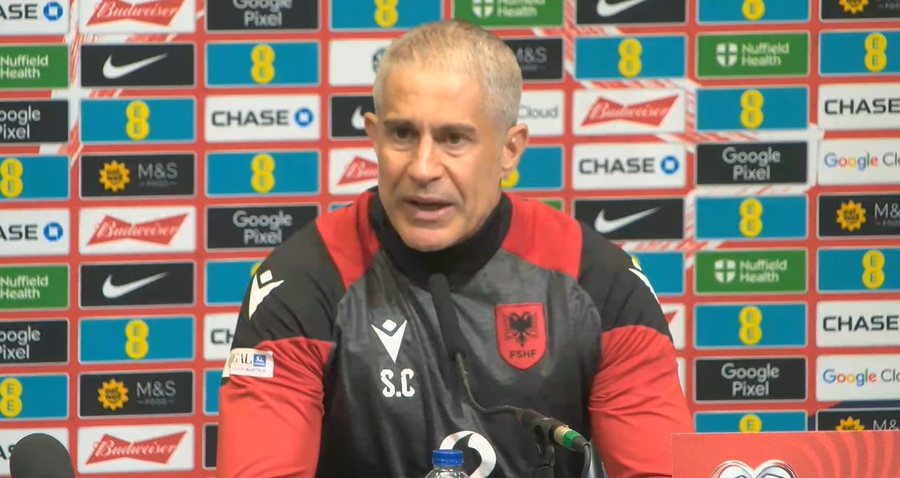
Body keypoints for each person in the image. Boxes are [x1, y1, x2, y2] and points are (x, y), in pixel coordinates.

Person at [217, 19, 692, 478]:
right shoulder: (304, 280)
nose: (423, 168)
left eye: (453, 139)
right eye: (403, 134)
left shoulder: (598, 280)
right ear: (374, 137)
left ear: (510, 150)